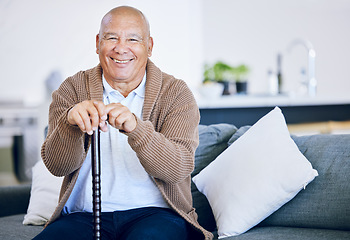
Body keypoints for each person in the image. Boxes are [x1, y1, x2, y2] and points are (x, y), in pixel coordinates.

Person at [34, 5, 213, 240]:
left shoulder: (176, 93)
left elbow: (177, 169)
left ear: (149, 46)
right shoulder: (72, 89)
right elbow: (58, 167)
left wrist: (137, 129)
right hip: (84, 216)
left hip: (157, 215)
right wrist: (70, 125)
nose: (121, 48)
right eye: (111, 38)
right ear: (98, 42)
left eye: (133, 39)